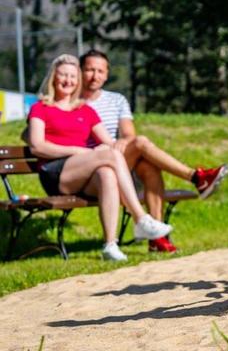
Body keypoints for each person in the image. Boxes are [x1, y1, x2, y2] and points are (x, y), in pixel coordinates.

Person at [80, 49, 228, 252]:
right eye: (89, 70)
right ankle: (196, 177)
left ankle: (157, 238)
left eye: (100, 71)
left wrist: (123, 142)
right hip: (90, 166)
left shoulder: (117, 100)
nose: (94, 75)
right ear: (81, 71)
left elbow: (128, 134)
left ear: (107, 74)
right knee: (142, 146)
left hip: (119, 159)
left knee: (147, 164)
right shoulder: (73, 102)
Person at [27, 54, 173, 262]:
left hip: (82, 173)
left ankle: (110, 246)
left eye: (72, 76)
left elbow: (110, 143)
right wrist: (78, 151)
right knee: (109, 157)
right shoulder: (40, 108)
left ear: (78, 80)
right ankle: (140, 218)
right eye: (63, 76)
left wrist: (118, 145)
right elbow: (37, 146)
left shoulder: (85, 110)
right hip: (55, 173)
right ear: (53, 78)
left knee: (106, 173)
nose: (68, 81)